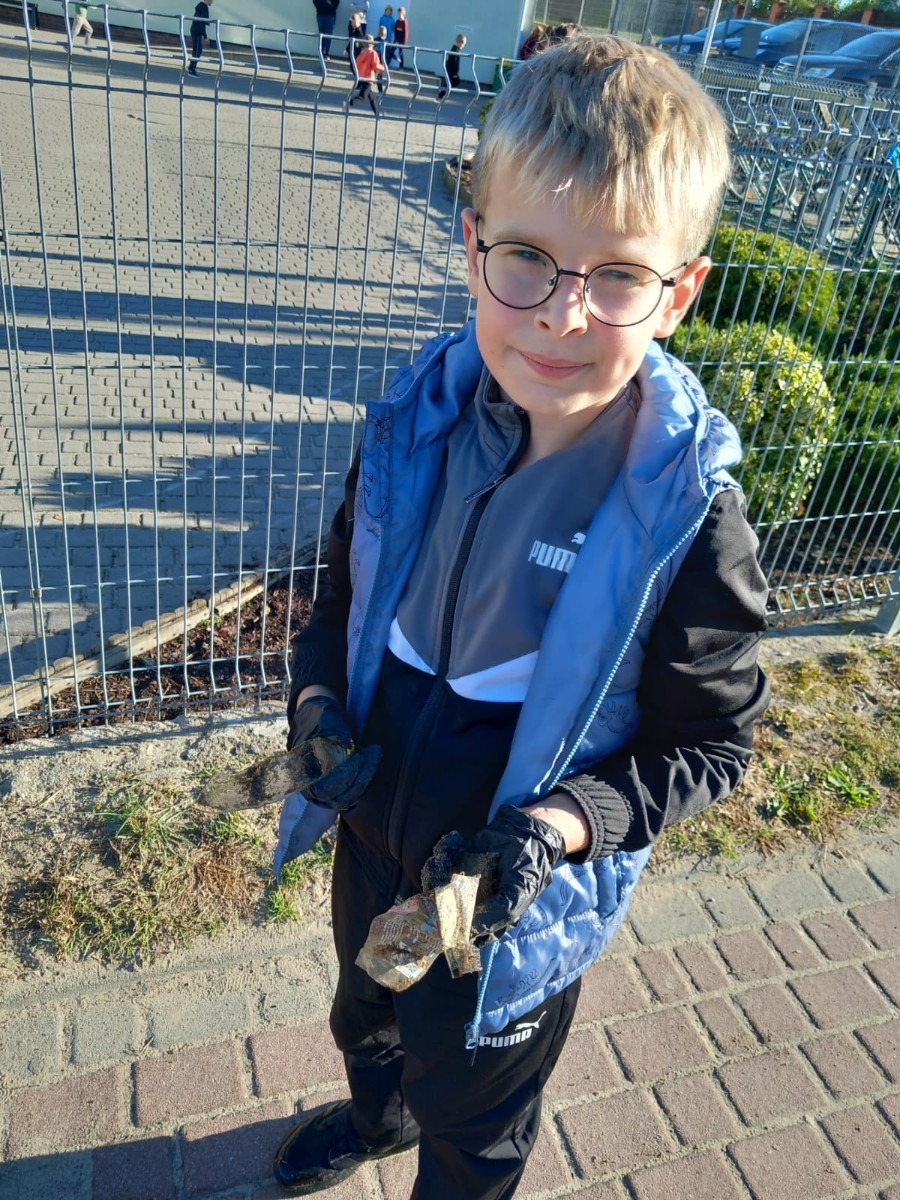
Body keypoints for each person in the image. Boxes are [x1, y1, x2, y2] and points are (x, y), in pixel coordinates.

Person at [271, 32, 769, 1200]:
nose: (561, 315)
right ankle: (377, 1117)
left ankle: (440, 1144)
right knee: (366, 1011)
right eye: (529, 259)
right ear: (472, 244)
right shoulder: (414, 428)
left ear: (680, 294)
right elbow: (338, 592)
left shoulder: (687, 519)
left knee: (476, 1105)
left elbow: (710, 744)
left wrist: (560, 826)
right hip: (373, 826)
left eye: (618, 275)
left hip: (503, 887)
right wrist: (315, 701)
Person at [348, 32, 384, 113]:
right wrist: (383, 68)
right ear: (372, 43)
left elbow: (357, 63)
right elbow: (376, 66)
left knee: (372, 97)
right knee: (362, 97)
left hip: (362, 77)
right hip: (369, 78)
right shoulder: (373, 53)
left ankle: (377, 113)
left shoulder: (362, 53)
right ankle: (349, 102)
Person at [437, 33, 467, 100]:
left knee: (452, 82)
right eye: (464, 44)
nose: (464, 46)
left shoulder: (456, 49)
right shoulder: (455, 50)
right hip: (451, 70)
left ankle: (442, 94)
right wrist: (454, 73)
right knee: (450, 83)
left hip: (450, 70)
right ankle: (440, 96)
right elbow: (454, 62)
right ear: (460, 43)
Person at [187, 0, 212, 75]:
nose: (212, 2)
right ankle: (192, 68)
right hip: (197, 31)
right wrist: (205, 36)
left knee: (197, 50)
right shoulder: (204, 8)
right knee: (197, 50)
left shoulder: (201, 6)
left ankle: (192, 67)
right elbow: (202, 22)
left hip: (195, 30)